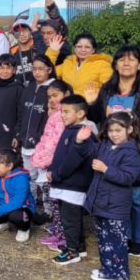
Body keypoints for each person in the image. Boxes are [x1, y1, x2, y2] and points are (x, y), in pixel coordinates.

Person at [84, 45, 140, 257]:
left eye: (131, 59)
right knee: (118, 196)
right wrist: (91, 103)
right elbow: (97, 118)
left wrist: (131, 132)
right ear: (115, 64)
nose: (126, 63)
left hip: (138, 152)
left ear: (139, 65)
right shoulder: (107, 89)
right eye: (121, 59)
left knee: (138, 198)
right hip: (110, 151)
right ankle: (124, 235)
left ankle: (139, 240)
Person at [75, 112, 140, 280]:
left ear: (129, 129)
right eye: (111, 130)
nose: (114, 134)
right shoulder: (105, 145)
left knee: (116, 241)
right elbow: (89, 153)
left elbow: (128, 177)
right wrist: (80, 141)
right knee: (104, 239)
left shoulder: (131, 151)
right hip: (102, 202)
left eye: (118, 130)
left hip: (116, 205)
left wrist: (106, 169)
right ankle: (107, 269)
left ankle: (118, 273)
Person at [48, 95, 97, 264]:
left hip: (72, 184)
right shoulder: (71, 130)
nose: (62, 115)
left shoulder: (82, 133)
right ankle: (79, 247)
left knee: (69, 219)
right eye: (62, 111)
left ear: (81, 113)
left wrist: (56, 174)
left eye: (67, 111)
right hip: (66, 183)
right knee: (72, 217)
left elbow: (72, 160)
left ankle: (72, 251)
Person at [31, 81, 73, 243]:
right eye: (49, 97)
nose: (52, 100)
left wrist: (39, 159)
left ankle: (63, 235)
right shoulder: (56, 114)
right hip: (51, 162)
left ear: (66, 94)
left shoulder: (63, 116)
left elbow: (54, 143)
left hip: (56, 163)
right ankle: (58, 228)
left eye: (56, 95)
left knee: (58, 200)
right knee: (53, 199)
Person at [17, 56, 56, 204]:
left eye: (41, 69)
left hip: (44, 144)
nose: (37, 72)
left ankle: (49, 210)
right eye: (34, 69)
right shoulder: (29, 88)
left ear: (49, 70)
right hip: (26, 140)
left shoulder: (54, 89)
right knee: (29, 176)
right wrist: (19, 133)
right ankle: (30, 204)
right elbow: (21, 113)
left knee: (45, 179)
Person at [47, 31, 112, 96]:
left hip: (87, 102)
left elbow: (108, 89)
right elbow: (47, 72)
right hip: (67, 101)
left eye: (87, 47)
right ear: (75, 49)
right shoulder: (68, 63)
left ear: (93, 50)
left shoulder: (102, 64)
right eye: (79, 46)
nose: (83, 50)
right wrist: (52, 51)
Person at [35, 0, 72, 66]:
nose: (45, 37)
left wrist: (55, 15)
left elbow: (63, 30)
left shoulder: (63, 48)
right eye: (42, 33)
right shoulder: (43, 46)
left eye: (49, 33)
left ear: (59, 34)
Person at [10, 15, 44, 87]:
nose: (22, 34)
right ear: (14, 34)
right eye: (17, 31)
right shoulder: (11, 54)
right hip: (18, 91)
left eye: (25, 30)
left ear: (30, 31)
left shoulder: (38, 50)